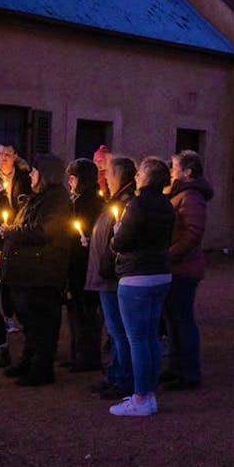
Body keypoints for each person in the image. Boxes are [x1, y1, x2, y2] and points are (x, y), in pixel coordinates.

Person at [0, 153, 72, 386]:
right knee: (30, 323)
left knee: (42, 324)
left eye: (34, 171)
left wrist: (11, 231)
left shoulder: (57, 200)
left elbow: (43, 231)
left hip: (42, 274)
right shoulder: (38, 198)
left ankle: (41, 369)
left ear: (46, 174)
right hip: (29, 273)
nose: (30, 175)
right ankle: (28, 362)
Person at [109, 157, 174, 417]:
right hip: (160, 273)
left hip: (136, 276)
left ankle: (141, 397)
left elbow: (122, 242)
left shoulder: (138, 204)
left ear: (147, 177)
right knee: (150, 337)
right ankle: (149, 393)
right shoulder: (167, 205)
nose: (135, 177)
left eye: (139, 173)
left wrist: (116, 234)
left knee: (137, 339)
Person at [161, 150, 213, 391]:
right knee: (173, 320)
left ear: (188, 172)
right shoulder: (181, 195)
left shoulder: (190, 196)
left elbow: (193, 233)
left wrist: (169, 254)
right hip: (177, 266)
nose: (171, 172)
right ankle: (176, 367)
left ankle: (189, 372)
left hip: (182, 268)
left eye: (175, 168)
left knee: (182, 320)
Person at [85, 156, 136, 400]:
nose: (105, 177)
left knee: (119, 331)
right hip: (106, 275)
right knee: (115, 331)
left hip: (112, 277)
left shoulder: (126, 203)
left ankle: (124, 379)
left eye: (110, 174)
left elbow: (120, 240)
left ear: (120, 176)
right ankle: (115, 375)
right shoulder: (116, 200)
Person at [66, 158, 104, 372]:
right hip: (80, 264)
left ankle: (86, 357)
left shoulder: (86, 202)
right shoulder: (86, 199)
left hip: (83, 265)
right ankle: (78, 354)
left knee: (84, 312)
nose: (69, 183)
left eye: (71, 178)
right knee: (79, 311)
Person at [0, 142, 31, 367]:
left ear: (15, 156)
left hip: (15, 244)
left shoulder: (25, 179)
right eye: (0, 154)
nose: (4, 158)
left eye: (8, 154)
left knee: (14, 292)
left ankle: (8, 343)